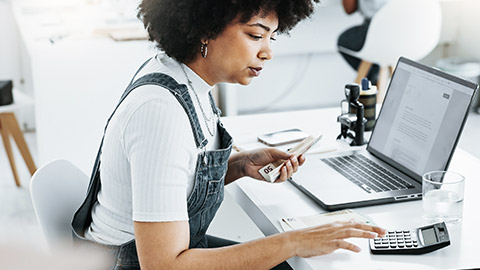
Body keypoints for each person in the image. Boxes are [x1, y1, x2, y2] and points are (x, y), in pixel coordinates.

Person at [71, 1, 387, 269]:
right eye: (255, 35)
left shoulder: (182, 78)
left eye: (271, 38)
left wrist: (239, 165)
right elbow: (164, 265)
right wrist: (293, 242)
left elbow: (176, 178)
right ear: (205, 28)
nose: (267, 53)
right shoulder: (161, 112)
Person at [337, 0, 388, 85]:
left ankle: (373, 75)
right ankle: (376, 74)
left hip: (376, 29)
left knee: (343, 41)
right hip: (406, 32)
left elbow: (349, 9)